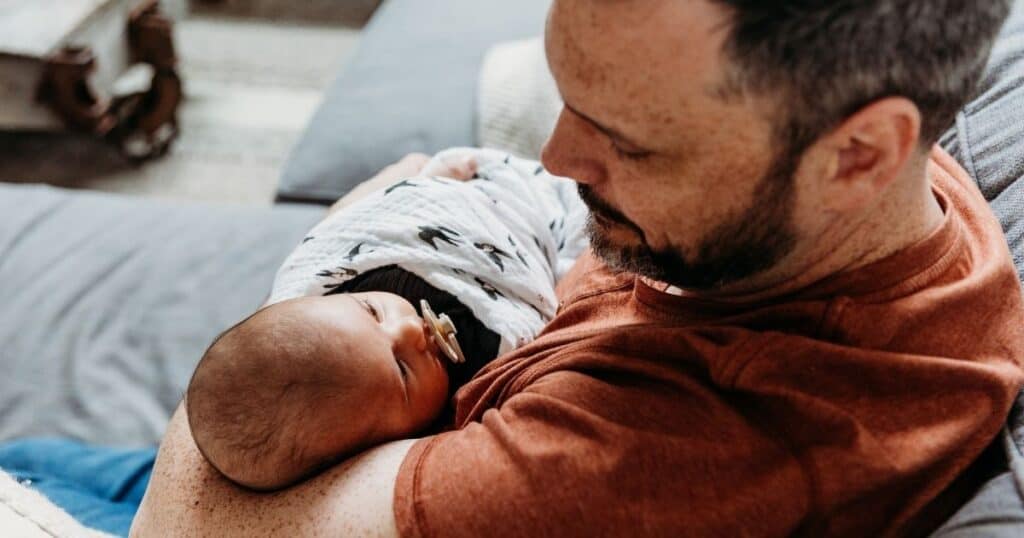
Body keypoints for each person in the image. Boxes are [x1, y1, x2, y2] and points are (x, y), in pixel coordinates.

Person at [132, 1, 1024, 536]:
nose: (557, 156)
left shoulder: (656, 454)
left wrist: (325, 270)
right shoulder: (876, 205)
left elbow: (187, 526)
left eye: (627, 140)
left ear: (861, 154)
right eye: (570, 100)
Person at [186, 148, 587, 491]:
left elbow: (347, 224)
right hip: (536, 250)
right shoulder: (474, 395)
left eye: (372, 311)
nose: (410, 328)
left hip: (474, 206)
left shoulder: (319, 284)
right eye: (401, 369)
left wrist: (425, 182)